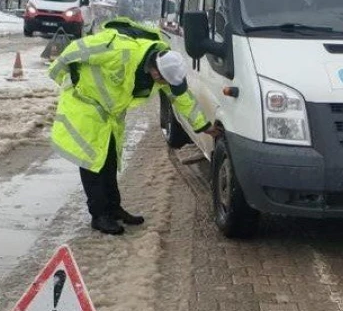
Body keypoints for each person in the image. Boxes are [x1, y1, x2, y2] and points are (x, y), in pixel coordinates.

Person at [49, 17, 220, 234]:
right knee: (93, 162)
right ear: (157, 72)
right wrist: (62, 77)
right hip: (85, 106)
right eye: (164, 82)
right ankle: (99, 216)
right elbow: (74, 49)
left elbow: (181, 97)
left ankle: (114, 208)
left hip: (108, 114)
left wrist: (203, 126)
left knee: (109, 160)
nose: (165, 86)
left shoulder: (162, 64)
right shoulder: (119, 50)